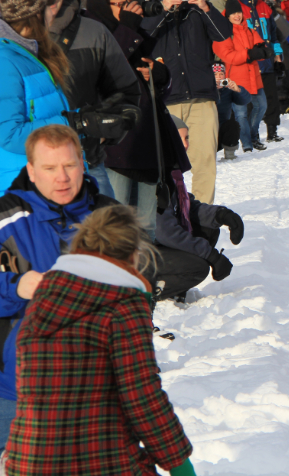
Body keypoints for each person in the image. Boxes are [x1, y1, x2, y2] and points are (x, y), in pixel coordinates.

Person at [5, 204, 197, 475]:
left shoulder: (42, 299)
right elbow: (142, 396)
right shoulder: (122, 304)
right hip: (98, 460)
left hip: (28, 461)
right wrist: (180, 464)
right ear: (134, 254)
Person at [0, 125, 116, 447]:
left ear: (82, 163)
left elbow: (136, 292)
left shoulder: (109, 216)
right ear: (32, 172)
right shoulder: (5, 218)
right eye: (50, 168)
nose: (61, 177)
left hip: (94, 385)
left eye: (68, 165)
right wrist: (16, 285)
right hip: (16, 386)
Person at [23, 0, 142, 200]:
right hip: (22, 169)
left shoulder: (93, 32)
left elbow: (126, 91)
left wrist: (103, 127)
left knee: (103, 236)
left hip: (85, 164)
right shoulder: (8, 40)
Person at [85, 0, 190, 241]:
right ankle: (117, 283)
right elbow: (101, 71)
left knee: (146, 229)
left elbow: (157, 89)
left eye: (134, 2)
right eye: (121, 3)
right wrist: (129, 28)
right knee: (115, 230)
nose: (131, 8)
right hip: (114, 149)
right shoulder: (91, 33)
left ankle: (145, 281)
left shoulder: (138, 34)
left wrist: (157, 74)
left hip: (145, 143)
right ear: (102, 4)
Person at [142, 0, 233, 204]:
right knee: (170, 167)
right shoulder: (150, 11)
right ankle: (174, 217)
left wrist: (205, 7)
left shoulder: (196, 10)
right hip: (167, 101)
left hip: (202, 97)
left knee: (205, 163)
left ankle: (204, 216)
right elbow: (141, 39)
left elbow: (224, 33)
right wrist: (162, 10)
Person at [153, 116, 240, 303]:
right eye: (180, 138)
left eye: (187, 138)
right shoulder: (153, 176)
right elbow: (165, 232)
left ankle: (173, 284)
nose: (186, 145)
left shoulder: (171, 171)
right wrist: (210, 255)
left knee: (209, 229)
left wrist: (222, 215)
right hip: (140, 251)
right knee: (198, 267)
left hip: (157, 244)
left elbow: (188, 207)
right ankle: (147, 291)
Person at [0, 0, 72, 191]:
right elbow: (9, 135)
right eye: (48, 6)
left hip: (46, 185)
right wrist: (72, 124)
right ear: (37, 15)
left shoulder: (31, 53)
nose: (53, 12)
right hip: (23, 191)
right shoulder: (5, 60)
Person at [213, 0, 268, 153]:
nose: (236, 16)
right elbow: (229, 57)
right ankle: (247, 144)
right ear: (227, 16)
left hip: (254, 76)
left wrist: (264, 51)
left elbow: (260, 49)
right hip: (235, 78)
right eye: (233, 13)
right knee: (241, 114)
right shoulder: (224, 33)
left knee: (261, 106)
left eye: (238, 12)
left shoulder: (249, 30)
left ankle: (251, 136)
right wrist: (250, 53)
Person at [236, 0, 284, 143]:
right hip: (248, 62)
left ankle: (272, 130)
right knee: (250, 101)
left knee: (271, 97)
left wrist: (278, 57)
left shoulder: (264, 6)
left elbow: (273, 34)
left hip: (267, 61)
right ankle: (250, 134)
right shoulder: (236, 7)